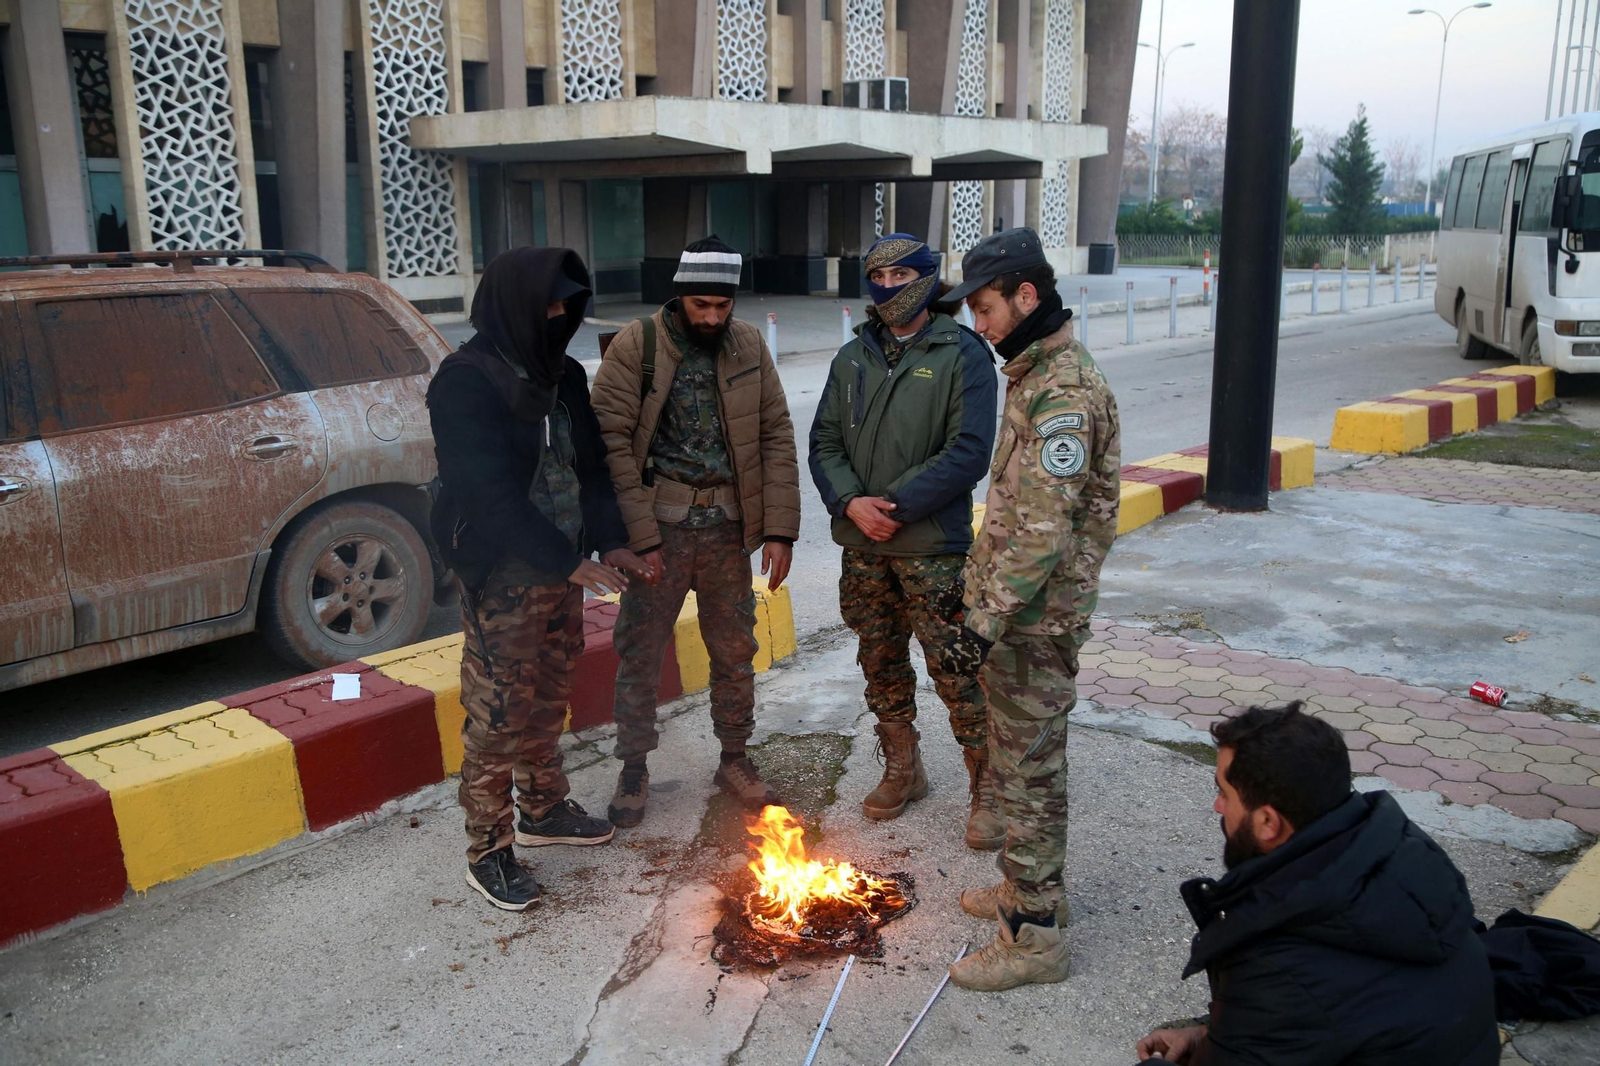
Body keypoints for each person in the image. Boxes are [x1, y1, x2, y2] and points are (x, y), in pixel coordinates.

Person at [427, 247, 652, 911]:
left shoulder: (563, 377)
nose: (561, 318)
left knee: (551, 692)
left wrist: (609, 541)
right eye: (550, 305)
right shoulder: (464, 382)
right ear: (516, 304)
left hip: (563, 562)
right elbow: (484, 493)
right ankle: (489, 850)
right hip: (504, 571)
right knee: (500, 710)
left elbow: (591, 470)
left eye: (569, 306)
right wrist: (567, 560)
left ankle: (544, 808)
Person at [941, 227, 1122, 992]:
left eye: (986, 308)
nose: (979, 326)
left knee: (1030, 773)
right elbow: (1013, 516)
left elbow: (1043, 535)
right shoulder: (1034, 374)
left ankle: (1036, 937)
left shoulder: (1064, 394)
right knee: (1021, 767)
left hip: (1032, 624)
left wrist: (981, 624)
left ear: (1026, 296)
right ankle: (1026, 891)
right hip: (1017, 617)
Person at [1136, 703, 1499, 1065]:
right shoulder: (1402, 860)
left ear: (1267, 822)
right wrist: (1209, 1035)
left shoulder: (1277, 961)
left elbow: (1300, 1006)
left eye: (1224, 793)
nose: (1217, 806)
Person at [590, 235, 802, 826]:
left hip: (728, 533)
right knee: (640, 651)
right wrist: (639, 536)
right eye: (700, 305)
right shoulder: (640, 344)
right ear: (680, 296)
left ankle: (734, 757)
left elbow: (775, 437)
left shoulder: (749, 345)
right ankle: (633, 767)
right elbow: (610, 443)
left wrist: (779, 530)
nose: (711, 317)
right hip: (659, 530)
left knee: (735, 651)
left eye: (722, 306)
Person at [808, 233, 1001, 845]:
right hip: (863, 544)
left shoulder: (961, 353)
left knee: (956, 667)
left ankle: (987, 785)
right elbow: (824, 443)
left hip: (931, 548)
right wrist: (849, 503)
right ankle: (903, 766)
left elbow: (968, 452)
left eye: (902, 275)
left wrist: (895, 506)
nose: (889, 287)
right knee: (880, 660)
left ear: (926, 279)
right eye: (879, 276)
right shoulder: (852, 357)